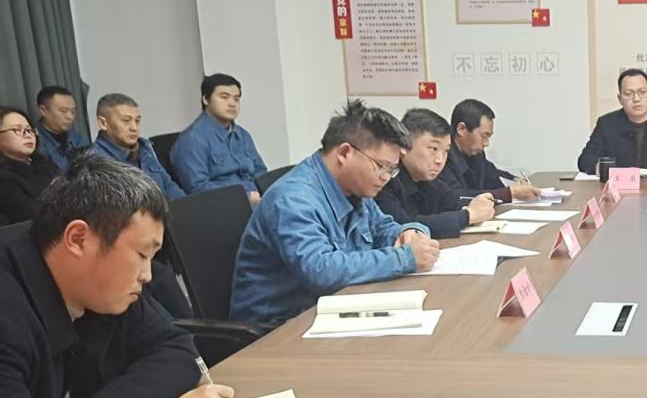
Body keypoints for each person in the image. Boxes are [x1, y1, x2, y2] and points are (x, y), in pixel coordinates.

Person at [0, 156, 235, 398]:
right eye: (141, 255)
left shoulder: (100, 287)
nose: (147, 275)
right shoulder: (10, 303)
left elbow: (178, 350)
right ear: (78, 239)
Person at [231, 99, 440, 324]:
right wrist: (405, 257)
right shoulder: (293, 199)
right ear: (345, 153)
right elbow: (321, 271)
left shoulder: (355, 188)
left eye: (392, 170)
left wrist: (410, 232)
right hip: (280, 326)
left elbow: (382, 228)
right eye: (381, 166)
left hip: (333, 307)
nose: (386, 177)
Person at [378, 108, 496, 238]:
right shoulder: (384, 180)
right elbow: (404, 225)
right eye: (433, 149)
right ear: (405, 146)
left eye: (445, 151)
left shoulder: (430, 181)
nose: (440, 160)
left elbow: (454, 203)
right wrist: (467, 216)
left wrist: (477, 205)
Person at [170, 72, 269, 200]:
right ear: (205, 99)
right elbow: (198, 189)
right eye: (224, 97)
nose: (232, 103)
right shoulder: (191, 140)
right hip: (224, 205)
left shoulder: (243, 135)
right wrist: (245, 197)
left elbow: (261, 172)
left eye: (236, 99)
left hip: (258, 200)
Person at [437, 98, 539, 202]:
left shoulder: (476, 154)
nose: (486, 144)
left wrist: (515, 180)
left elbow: (493, 174)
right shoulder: (441, 158)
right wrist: (508, 193)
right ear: (461, 129)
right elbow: (455, 196)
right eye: (484, 136)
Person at [90, 93, 186, 200]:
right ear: (103, 123)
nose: (134, 128)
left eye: (137, 120)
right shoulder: (95, 163)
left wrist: (186, 205)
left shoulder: (146, 148)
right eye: (126, 121)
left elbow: (168, 185)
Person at [0, 107, 60, 225]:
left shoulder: (46, 163)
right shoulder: (4, 179)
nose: (27, 135)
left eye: (29, 130)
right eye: (17, 130)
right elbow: (28, 215)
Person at [33, 84, 89, 172]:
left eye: (73, 111)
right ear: (43, 110)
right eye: (63, 111)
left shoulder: (76, 138)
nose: (70, 117)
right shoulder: (34, 141)